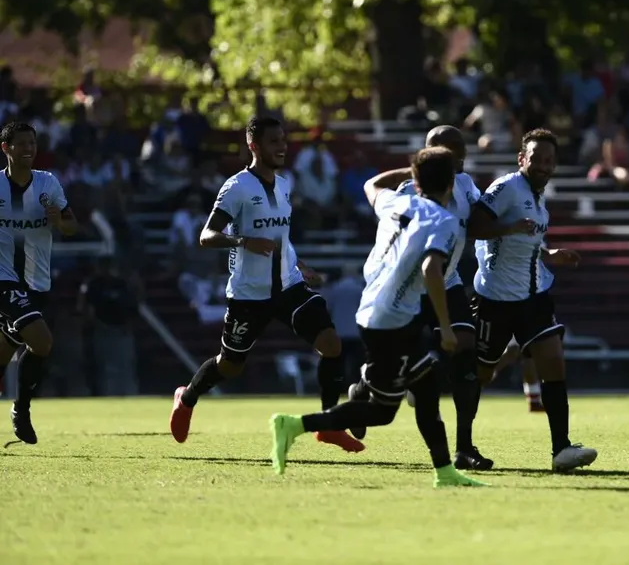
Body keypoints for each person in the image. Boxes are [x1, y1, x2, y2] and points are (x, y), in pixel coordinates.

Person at [269, 147, 486, 489]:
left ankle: (445, 472)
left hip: (372, 306)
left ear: (416, 181)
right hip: (393, 319)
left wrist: (410, 173)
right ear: (451, 184)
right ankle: (293, 425)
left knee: (426, 388)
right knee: (383, 412)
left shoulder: (397, 203)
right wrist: (445, 327)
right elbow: (432, 269)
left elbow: (371, 184)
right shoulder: (443, 220)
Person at [168, 116, 361, 453]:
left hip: (288, 287)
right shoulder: (237, 187)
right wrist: (244, 241)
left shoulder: (285, 185)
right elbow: (207, 236)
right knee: (230, 365)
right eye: (274, 141)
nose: (282, 146)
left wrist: (300, 265)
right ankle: (187, 397)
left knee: (331, 343)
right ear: (254, 146)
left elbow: (280, 239)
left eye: (284, 140)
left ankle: (329, 423)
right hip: (250, 294)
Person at [466, 128, 598, 472]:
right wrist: (508, 230)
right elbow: (475, 227)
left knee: (553, 362)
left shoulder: (539, 195)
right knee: (480, 374)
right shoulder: (507, 187)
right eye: (536, 158)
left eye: (549, 160)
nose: (542, 165)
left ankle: (561, 449)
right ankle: (463, 446)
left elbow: (527, 239)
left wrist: (550, 253)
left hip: (533, 296)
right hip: (494, 298)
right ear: (522, 159)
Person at [369, 125, 495, 470]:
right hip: (408, 286)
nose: (455, 153)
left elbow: (480, 224)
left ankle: (465, 447)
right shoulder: (410, 191)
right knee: (390, 376)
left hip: (448, 280)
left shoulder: (467, 187)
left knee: (467, 351)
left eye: (459, 147)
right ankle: (366, 389)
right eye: (444, 148)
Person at [0, 122, 78, 444]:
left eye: (32, 143)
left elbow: (72, 227)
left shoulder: (48, 184)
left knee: (4, 352)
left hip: (37, 283)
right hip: (4, 279)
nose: (28, 149)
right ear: (6, 148)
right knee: (42, 341)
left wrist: (58, 221)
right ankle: (21, 409)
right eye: (21, 144)